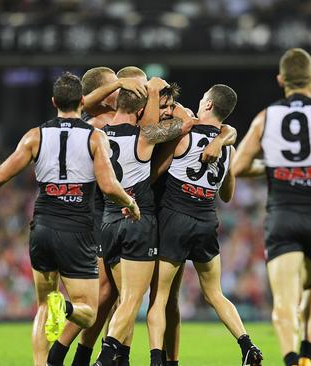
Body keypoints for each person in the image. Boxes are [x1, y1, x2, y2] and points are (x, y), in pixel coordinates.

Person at [0, 72, 140, 366]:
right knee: (88, 310)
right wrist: (130, 202)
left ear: (54, 101)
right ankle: (65, 307)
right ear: (83, 101)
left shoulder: (36, 135)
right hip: (77, 230)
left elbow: (2, 175)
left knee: (43, 305)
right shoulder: (94, 137)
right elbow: (109, 186)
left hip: (43, 226)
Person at [231, 48, 311, 366]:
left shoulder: (267, 116)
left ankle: (293, 360)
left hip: (284, 214)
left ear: (280, 80)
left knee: (285, 301)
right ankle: (307, 352)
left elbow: (238, 166)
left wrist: (274, 168)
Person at [46, 66, 162, 366]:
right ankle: (95, 356)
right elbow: (83, 99)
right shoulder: (96, 122)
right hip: (103, 212)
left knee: (109, 295)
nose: (124, 92)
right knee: (116, 294)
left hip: (102, 212)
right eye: (117, 87)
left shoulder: (100, 124)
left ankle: (78, 357)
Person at [147, 84, 264, 366]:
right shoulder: (228, 147)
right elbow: (227, 194)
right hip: (206, 220)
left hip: (175, 217)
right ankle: (247, 345)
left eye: (202, 99)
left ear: (209, 105)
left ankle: (155, 360)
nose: (199, 102)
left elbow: (153, 174)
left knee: (159, 297)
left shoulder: (184, 133)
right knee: (214, 293)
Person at [92, 74, 196, 365]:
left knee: (119, 298)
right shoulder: (147, 135)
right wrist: (155, 93)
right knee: (131, 300)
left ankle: (117, 358)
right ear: (142, 107)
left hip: (109, 219)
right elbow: (186, 124)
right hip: (139, 219)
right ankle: (106, 355)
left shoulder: (97, 132)